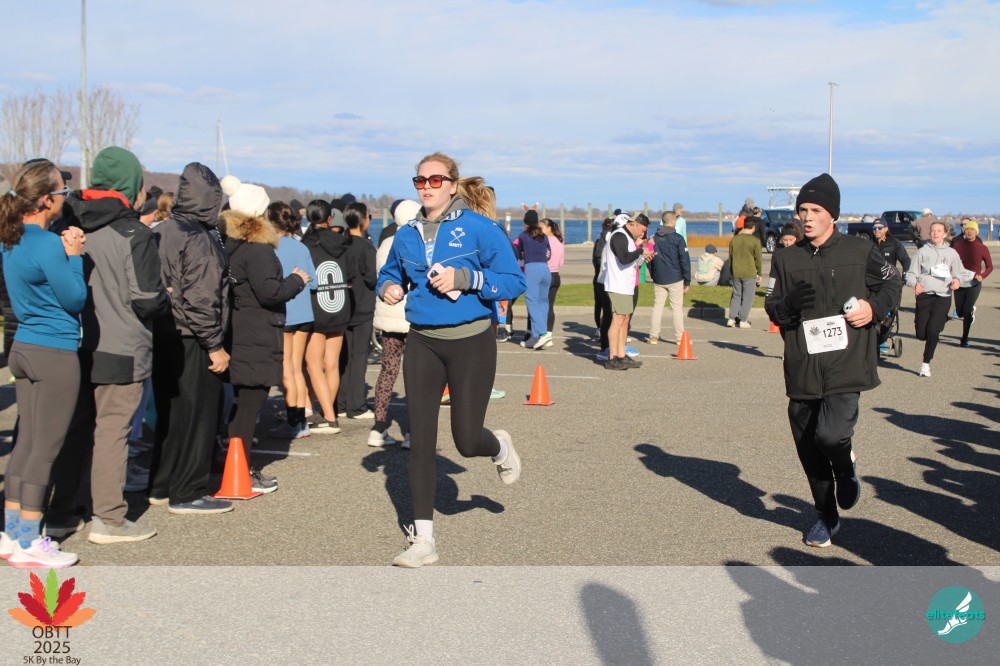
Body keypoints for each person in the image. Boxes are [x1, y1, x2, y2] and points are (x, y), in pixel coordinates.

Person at [377, 152, 526, 567]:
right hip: (422, 342)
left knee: (466, 440)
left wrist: (467, 278)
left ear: (453, 185)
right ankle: (423, 541)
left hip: (471, 342)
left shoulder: (480, 228)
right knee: (420, 443)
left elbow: (512, 281)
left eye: (435, 180)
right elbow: (389, 273)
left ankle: (499, 446)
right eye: (419, 181)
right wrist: (387, 288)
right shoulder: (406, 235)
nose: (426, 187)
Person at [765, 173, 901, 548]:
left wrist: (874, 308)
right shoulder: (786, 257)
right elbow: (772, 306)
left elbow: (892, 284)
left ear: (833, 215)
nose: (807, 217)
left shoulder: (860, 250)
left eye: (816, 210)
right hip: (803, 364)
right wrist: (788, 305)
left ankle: (845, 467)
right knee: (809, 448)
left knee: (831, 434)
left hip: (847, 362)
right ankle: (826, 517)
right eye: (803, 210)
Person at [47, 146, 171, 545]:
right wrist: (166, 297)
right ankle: (110, 518)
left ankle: (61, 513)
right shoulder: (134, 233)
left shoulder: (64, 223)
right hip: (121, 345)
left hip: (72, 342)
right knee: (113, 432)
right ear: (131, 186)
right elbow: (146, 299)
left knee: (74, 431)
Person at [0, 159, 86, 568]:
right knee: (45, 449)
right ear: (47, 200)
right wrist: (74, 256)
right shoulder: (49, 244)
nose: (65, 199)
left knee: (27, 444)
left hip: (24, 347)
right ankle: (31, 540)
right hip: (53, 352)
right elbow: (75, 298)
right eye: (62, 192)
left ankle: (12, 533)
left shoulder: (10, 238)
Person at [149, 162, 234, 515]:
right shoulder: (199, 238)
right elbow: (201, 297)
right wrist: (215, 345)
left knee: (171, 412)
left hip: (163, 331)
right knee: (198, 415)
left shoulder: (161, 230)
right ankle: (188, 490)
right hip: (193, 336)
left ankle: (162, 483)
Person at [221, 182, 308, 493]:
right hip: (256, 333)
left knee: (241, 404)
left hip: (238, 330)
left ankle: (233, 463)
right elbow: (269, 292)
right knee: (250, 406)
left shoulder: (229, 244)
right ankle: (242, 469)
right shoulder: (257, 249)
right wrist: (296, 280)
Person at [369, 199, 421, 448]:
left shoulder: (385, 243)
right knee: (415, 375)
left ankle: (378, 427)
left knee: (388, 370)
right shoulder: (417, 242)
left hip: (388, 314)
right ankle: (412, 431)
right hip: (412, 317)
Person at [301, 201, 352, 434]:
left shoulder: (307, 244)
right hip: (339, 304)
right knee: (331, 364)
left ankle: (328, 417)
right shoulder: (342, 242)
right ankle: (326, 410)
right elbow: (350, 273)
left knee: (313, 365)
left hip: (318, 306)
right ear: (330, 218)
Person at [269, 201, 317, 439]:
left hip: (286, 313)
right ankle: (302, 421)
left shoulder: (272, 248)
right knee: (297, 368)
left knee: (287, 368)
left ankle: (294, 421)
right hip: (305, 313)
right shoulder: (302, 246)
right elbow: (314, 281)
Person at [904, 220, 965, 377]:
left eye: (939, 231)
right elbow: (910, 274)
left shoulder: (952, 253)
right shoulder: (922, 252)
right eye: (933, 231)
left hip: (943, 296)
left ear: (945, 234)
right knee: (921, 334)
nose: (935, 233)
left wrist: (957, 280)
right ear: (929, 233)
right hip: (924, 295)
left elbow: (960, 273)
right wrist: (915, 284)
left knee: (933, 330)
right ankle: (939, 322)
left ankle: (926, 363)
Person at [337, 202, 377, 419]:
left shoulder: (340, 244)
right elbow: (371, 278)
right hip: (362, 306)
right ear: (363, 220)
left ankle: (341, 402)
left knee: (343, 356)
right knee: (359, 356)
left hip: (343, 306)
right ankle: (356, 404)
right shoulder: (366, 247)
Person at [601, 213, 653, 370]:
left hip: (627, 285)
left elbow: (631, 262)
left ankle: (621, 354)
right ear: (634, 224)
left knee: (625, 320)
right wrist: (640, 251)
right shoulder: (619, 236)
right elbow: (624, 258)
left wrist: (642, 257)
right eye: (642, 230)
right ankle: (613, 357)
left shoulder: (629, 238)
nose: (643, 234)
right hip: (618, 285)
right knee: (618, 320)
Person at [648, 210, 690, 344]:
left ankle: (653, 336)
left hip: (659, 278)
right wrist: (687, 279)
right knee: (676, 308)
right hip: (675, 277)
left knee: (657, 307)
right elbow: (684, 260)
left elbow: (648, 258)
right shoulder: (678, 238)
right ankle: (679, 337)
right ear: (672, 221)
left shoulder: (653, 238)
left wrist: (653, 273)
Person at [949, 219, 993, 347]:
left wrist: (982, 276)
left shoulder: (982, 248)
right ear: (964, 230)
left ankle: (964, 338)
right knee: (960, 312)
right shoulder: (957, 246)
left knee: (967, 310)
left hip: (974, 283)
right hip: (959, 282)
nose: (969, 231)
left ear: (976, 231)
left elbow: (989, 266)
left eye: (972, 229)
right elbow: (950, 262)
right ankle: (968, 312)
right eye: (967, 229)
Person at [515, 210, 551, 349]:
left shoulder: (523, 236)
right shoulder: (544, 236)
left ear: (525, 222)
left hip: (532, 268)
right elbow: (549, 254)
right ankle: (536, 337)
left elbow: (518, 253)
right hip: (545, 268)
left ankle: (542, 333)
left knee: (531, 300)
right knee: (543, 301)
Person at [727, 216, 762, 328]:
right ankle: (743, 320)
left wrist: (731, 271)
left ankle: (731, 318)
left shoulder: (734, 239)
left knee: (736, 295)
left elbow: (730, 257)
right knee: (748, 297)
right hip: (749, 272)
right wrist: (759, 273)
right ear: (753, 228)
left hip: (736, 271)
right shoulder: (755, 241)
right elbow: (758, 258)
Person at [541, 217, 564, 347]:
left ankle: (540, 334)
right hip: (556, 276)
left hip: (546, 274)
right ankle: (549, 334)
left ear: (548, 228)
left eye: (541, 228)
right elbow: (561, 262)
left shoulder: (545, 241)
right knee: (550, 306)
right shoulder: (559, 241)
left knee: (539, 305)